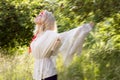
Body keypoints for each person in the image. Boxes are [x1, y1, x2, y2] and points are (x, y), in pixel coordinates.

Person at [29, 10, 94, 80]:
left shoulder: (49, 34)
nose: (38, 16)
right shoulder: (38, 35)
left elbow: (66, 35)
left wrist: (85, 28)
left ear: (46, 21)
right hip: (37, 74)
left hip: (48, 74)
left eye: (41, 15)